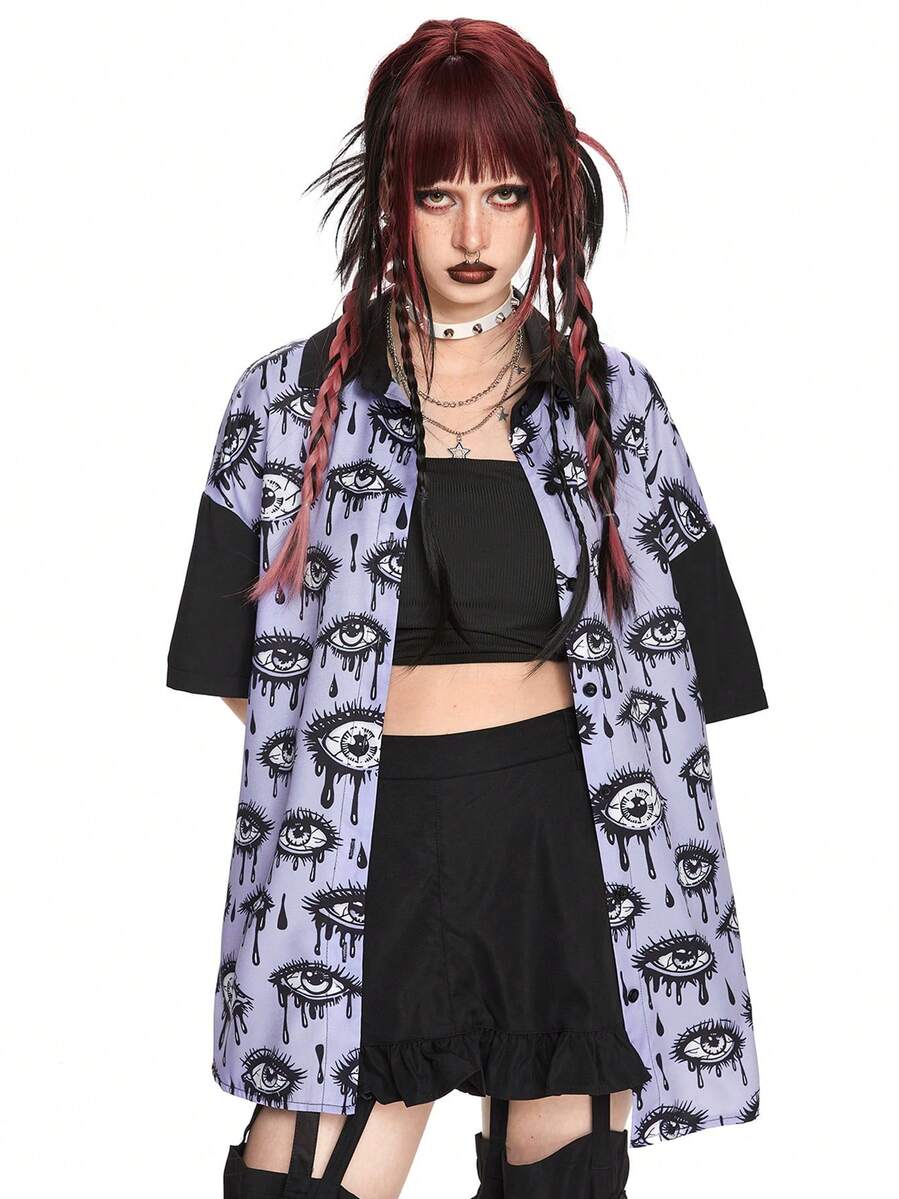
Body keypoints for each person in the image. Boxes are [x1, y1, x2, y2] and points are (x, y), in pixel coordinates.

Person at [166, 17, 768, 1199]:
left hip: (562, 843)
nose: (475, 233)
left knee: (563, 1174)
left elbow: (684, 674)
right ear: (390, 198)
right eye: (438, 194)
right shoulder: (281, 402)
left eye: (505, 192)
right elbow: (237, 667)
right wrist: (366, 780)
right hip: (365, 843)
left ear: (550, 195)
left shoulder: (615, 404)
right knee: (304, 1173)